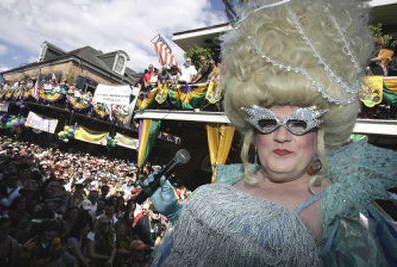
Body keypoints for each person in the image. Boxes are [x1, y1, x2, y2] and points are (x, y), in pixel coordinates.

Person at [150, 0, 397, 266]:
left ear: (319, 131)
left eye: (299, 123)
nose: (282, 136)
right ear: (254, 130)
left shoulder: (341, 213)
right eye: (268, 122)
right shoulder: (229, 179)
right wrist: (177, 214)